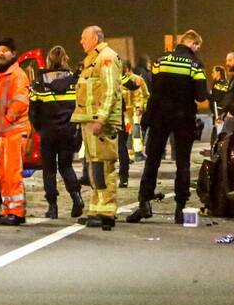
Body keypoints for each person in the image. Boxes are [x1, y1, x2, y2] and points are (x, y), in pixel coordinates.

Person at [128, 29, 208, 224]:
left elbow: (154, 90)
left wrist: (148, 119)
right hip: (183, 119)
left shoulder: (161, 60)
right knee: (183, 163)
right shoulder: (195, 65)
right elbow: (201, 96)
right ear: (194, 44)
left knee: (152, 161)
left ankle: (144, 203)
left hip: (160, 116)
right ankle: (180, 209)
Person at [71, 25, 123, 230]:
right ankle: (96, 209)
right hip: (90, 120)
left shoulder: (107, 57)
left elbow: (111, 91)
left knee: (104, 165)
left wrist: (101, 119)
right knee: (94, 165)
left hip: (99, 122)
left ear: (94, 38)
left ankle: (106, 211)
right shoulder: (93, 59)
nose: (81, 41)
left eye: (84, 37)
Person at [30, 46, 85, 219]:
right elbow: (81, 106)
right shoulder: (74, 81)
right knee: (66, 166)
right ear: (65, 60)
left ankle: (52, 207)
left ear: (49, 60)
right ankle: (77, 198)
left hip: (48, 131)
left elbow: (33, 110)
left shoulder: (40, 82)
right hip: (68, 131)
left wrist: (39, 127)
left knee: (49, 170)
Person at [0, 38, 32, 226]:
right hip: (4, 133)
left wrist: (5, 121)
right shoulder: (0, 77)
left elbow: (20, 102)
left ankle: (16, 211)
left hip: (14, 131)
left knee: (12, 172)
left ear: (14, 53)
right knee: (3, 173)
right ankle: (8, 209)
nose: (1, 53)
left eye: (5, 50)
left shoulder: (18, 75)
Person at [119, 60, 150, 187]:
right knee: (128, 133)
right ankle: (131, 155)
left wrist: (139, 107)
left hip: (134, 112)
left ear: (126, 68)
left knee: (135, 131)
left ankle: (136, 153)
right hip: (124, 113)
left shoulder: (136, 79)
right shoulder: (121, 79)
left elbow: (141, 95)